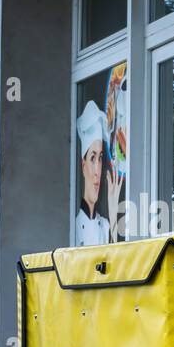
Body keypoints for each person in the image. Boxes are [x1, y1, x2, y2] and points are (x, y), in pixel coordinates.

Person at [75, 101, 119, 246]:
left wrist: (113, 212)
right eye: (92, 158)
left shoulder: (105, 226)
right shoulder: (74, 227)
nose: (97, 171)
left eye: (100, 158)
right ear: (83, 165)